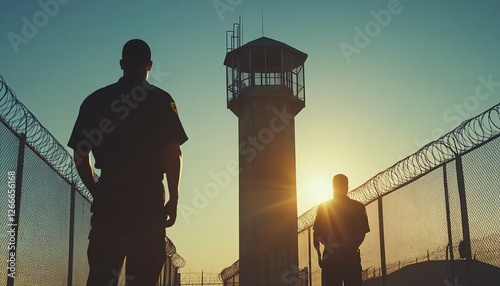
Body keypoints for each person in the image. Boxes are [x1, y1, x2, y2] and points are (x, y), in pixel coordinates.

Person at [68, 39, 188, 286]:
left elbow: (81, 153)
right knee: (143, 278)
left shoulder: (95, 100)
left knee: (102, 276)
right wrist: (174, 197)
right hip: (147, 200)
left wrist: (96, 189)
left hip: (110, 199)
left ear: (121, 64)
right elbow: (172, 153)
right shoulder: (161, 101)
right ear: (150, 65)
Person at [313, 174, 370, 286]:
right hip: (351, 258)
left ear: (333, 187)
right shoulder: (358, 207)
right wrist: (351, 247)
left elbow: (316, 235)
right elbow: (362, 233)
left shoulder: (324, 208)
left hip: (330, 258)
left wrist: (320, 256)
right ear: (347, 188)